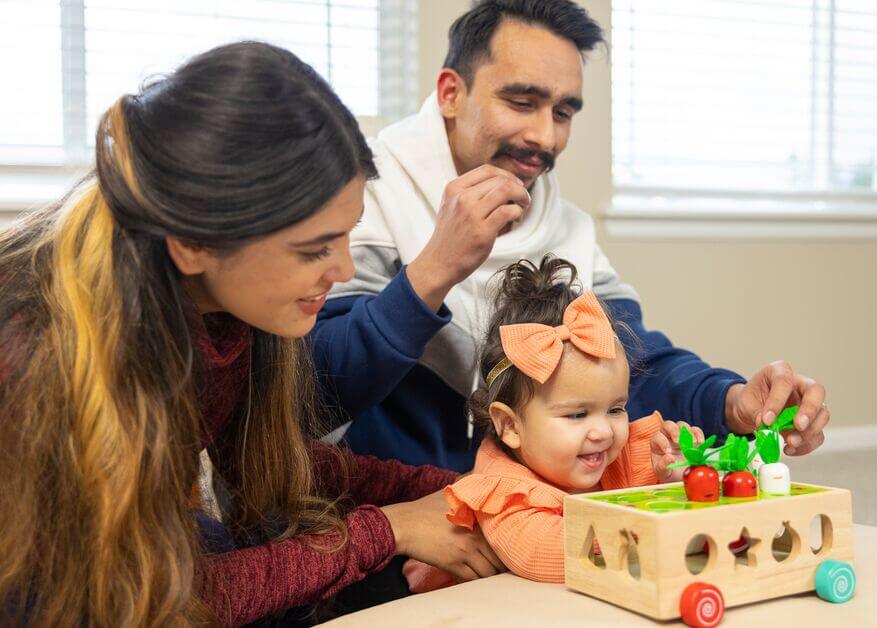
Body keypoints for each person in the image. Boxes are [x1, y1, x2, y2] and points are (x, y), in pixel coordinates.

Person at [0, 42, 502, 627]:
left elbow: (277, 465)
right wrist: (388, 530)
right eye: (313, 249)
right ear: (192, 243)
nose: (342, 270)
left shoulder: (231, 308)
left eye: (345, 236)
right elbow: (156, 599)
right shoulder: (39, 355)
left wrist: (467, 490)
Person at [312, 0, 829, 472]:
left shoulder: (567, 226)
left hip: (531, 502)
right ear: (451, 94)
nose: (546, 137)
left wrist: (729, 399)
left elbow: (634, 364)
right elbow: (313, 388)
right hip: (389, 501)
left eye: (563, 112)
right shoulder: (366, 196)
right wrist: (435, 269)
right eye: (521, 102)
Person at [403, 256, 706, 590]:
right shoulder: (503, 493)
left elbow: (660, 502)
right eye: (577, 415)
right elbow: (558, 553)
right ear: (511, 427)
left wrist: (675, 478)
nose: (604, 431)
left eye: (616, 409)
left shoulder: (609, 458)